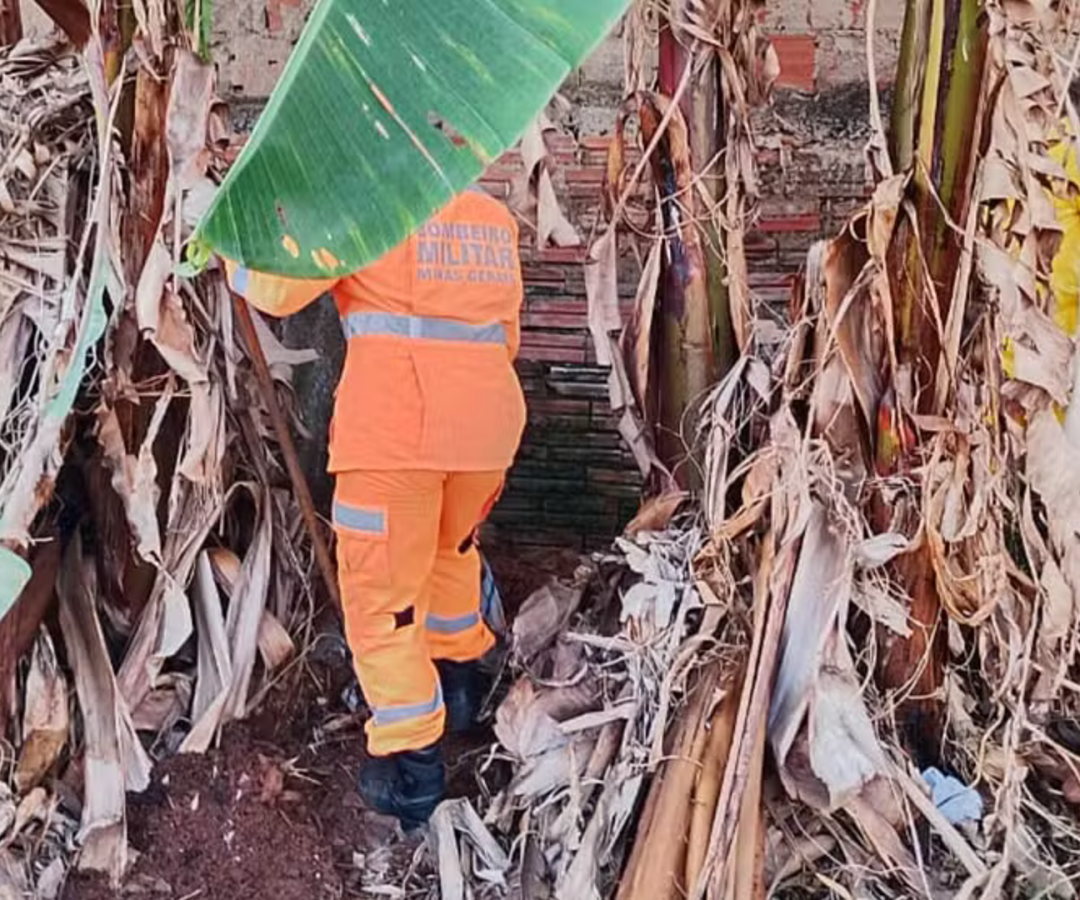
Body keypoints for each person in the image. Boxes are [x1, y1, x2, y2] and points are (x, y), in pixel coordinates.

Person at [222, 188, 526, 830]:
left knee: (382, 605)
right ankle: (460, 691)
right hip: (488, 428)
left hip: (396, 437)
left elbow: (274, 289)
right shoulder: (492, 218)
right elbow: (509, 332)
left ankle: (412, 775)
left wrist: (222, 240)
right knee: (452, 553)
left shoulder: (372, 203)